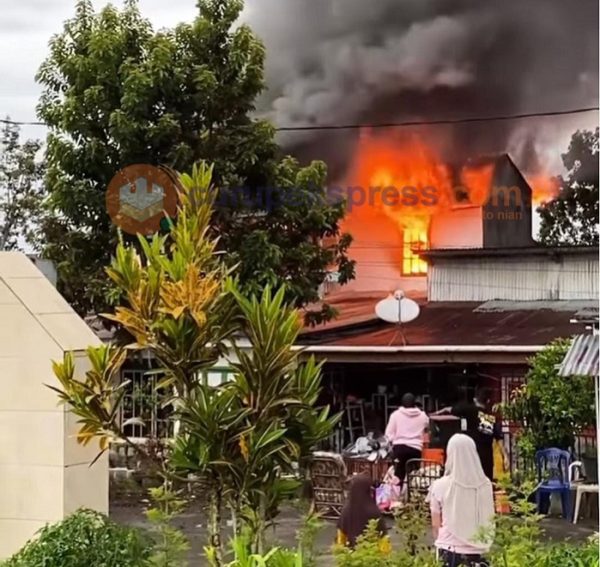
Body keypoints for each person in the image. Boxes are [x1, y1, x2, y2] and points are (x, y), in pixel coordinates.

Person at [427, 434, 495, 567]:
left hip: (449, 548)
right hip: (479, 549)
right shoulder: (486, 485)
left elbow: (436, 524)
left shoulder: (440, 485)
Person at [448, 388, 507, 482]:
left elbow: (452, 410)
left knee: (470, 482)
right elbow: (499, 438)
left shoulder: (469, 410)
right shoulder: (492, 417)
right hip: (487, 457)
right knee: (486, 482)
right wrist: (505, 456)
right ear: (488, 401)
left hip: (471, 453)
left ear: (475, 399)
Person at [385, 392, 429, 486]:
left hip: (399, 449)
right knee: (414, 477)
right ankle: (412, 496)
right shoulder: (422, 416)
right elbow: (427, 426)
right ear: (415, 403)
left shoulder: (395, 415)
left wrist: (394, 440)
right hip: (416, 449)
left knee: (397, 476)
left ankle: (396, 496)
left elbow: (388, 434)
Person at [337, 475, 388, 549]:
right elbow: (383, 539)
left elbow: (341, 539)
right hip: (372, 555)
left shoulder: (346, 510)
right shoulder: (374, 511)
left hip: (350, 556)